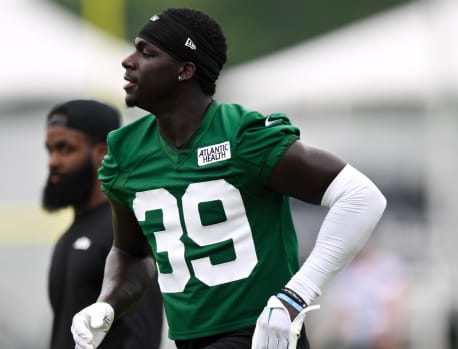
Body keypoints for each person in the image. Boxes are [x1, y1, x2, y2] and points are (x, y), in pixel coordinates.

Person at [71, 8, 387, 349]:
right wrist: (108, 303)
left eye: (147, 53)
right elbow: (133, 253)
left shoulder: (241, 137)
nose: (128, 61)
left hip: (261, 335)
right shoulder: (127, 152)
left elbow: (361, 197)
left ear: (185, 70)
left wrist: (296, 296)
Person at [42, 99, 163, 349]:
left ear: (102, 153)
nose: (52, 161)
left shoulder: (123, 234)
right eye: (50, 149)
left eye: (65, 149)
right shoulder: (70, 236)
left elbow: (143, 336)